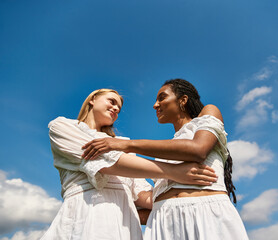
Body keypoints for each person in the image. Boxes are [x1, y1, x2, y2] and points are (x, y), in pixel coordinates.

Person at [41, 88, 218, 240]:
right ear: (93, 100)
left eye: (119, 107)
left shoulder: (122, 143)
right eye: (111, 101)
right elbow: (110, 163)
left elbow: (141, 194)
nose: (116, 108)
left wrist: (188, 192)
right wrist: (174, 171)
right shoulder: (63, 127)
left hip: (125, 223)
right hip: (88, 211)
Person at [82, 80, 249, 240]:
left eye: (162, 97)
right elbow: (148, 202)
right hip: (162, 222)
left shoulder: (208, 113)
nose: (155, 105)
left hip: (206, 212)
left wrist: (126, 144)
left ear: (183, 100)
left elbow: (199, 149)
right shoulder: (169, 148)